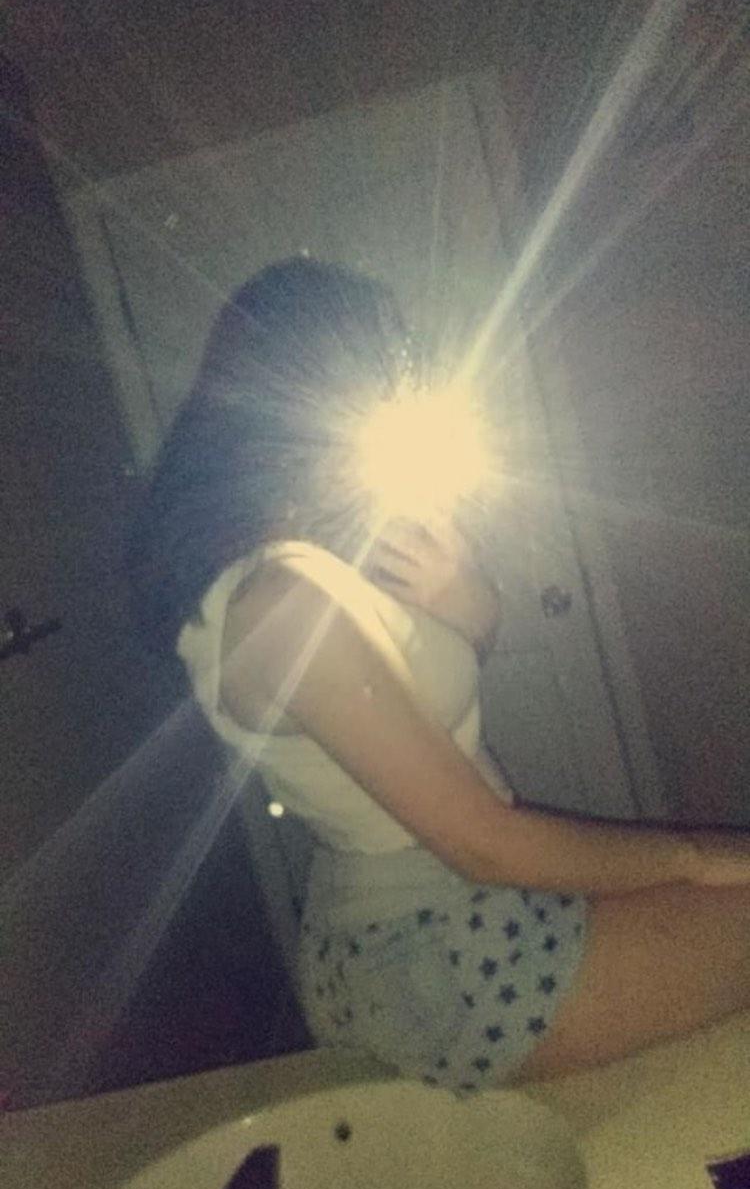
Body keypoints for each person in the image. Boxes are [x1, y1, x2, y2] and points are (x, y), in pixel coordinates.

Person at [130, 255, 750, 1094]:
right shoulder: (283, 602)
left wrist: (467, 606)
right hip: (443, 949)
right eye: (383, 382)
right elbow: (486, 843)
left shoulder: (286, 567)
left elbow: (416, 715)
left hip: (448, 920)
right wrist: (697, 855)